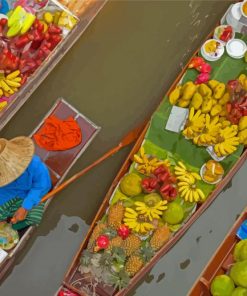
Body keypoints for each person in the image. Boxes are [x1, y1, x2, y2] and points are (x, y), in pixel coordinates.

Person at [0, 136, 52, 230]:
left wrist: (25, 207)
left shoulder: (35, 164)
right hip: (6, 195)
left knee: (34, 217)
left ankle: (14, 227)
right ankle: (5, 222)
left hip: (28, 195)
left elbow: (42, 186)